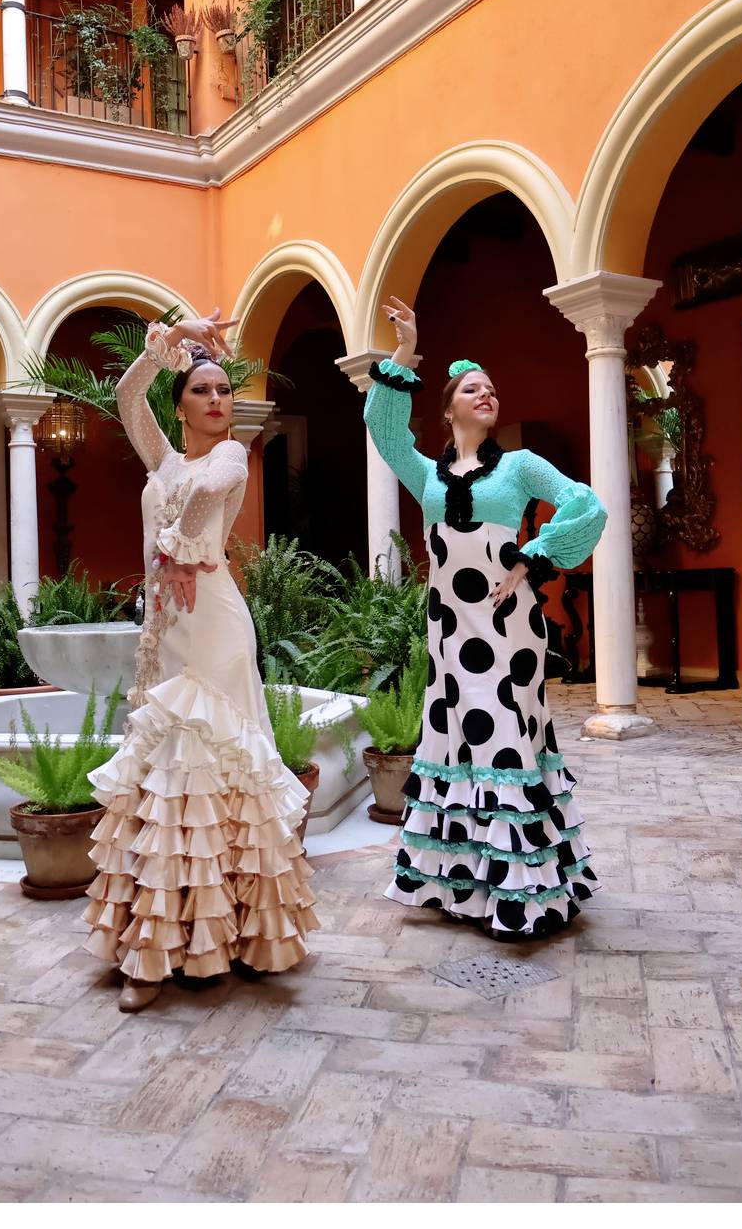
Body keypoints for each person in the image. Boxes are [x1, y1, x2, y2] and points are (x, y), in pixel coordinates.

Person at [83, 311, 318, 1011]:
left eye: (224, 390)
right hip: (165, 628)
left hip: (213, 621)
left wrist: (179, 548)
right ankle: (157, 941)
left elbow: (211, 494)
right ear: (180, 404)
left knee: (206, 760)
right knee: (165, 779)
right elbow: (127, 397)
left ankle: (207, 945)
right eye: (203, 390)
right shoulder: (162, 458)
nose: (219, 399)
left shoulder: (232, 453)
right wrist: (172, 339)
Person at [364, 296, 607, 940]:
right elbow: (383, 428)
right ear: (448, 409)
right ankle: (461, 886)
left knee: (505, 735)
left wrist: (530, 558)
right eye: (474, 389)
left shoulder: (521, 467)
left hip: (508, 631)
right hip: (449, 632)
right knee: (456, 738)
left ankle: (522, 898)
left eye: (492, 389)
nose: (487, 395)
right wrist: (405, 350)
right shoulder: (426, 475)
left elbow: (587, 507)